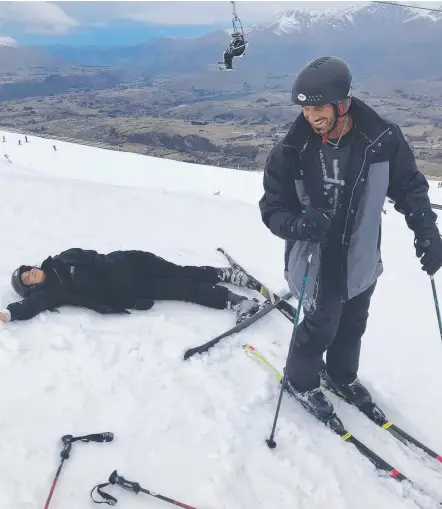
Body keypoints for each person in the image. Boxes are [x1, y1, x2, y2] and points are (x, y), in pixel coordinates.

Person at [259, 56, 442, 422]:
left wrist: (426, 230)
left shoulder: (381, 139)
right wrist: (299, 225)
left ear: (341, 104)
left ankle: (342, 376)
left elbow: (409, 188)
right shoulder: (292, 150)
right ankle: (301, 381)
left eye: (318, 107)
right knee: (320, 325)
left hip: (361, 253)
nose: (311, 117)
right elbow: (273, 208)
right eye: (306, 109)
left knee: (353, 321)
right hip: (316, 258)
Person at [1, 248, 261, 324]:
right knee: (182, 290)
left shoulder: (63, 258)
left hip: (132, 263)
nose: (31, 273)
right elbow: (30, 307)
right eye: (27, 279)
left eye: (28, 270)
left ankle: (226, 274)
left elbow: (96, 259)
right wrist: (9, 313)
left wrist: (117, 270)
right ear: (31, 287)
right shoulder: (53, 294)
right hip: (134, 291)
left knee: (180, 273)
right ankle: (235, 301)